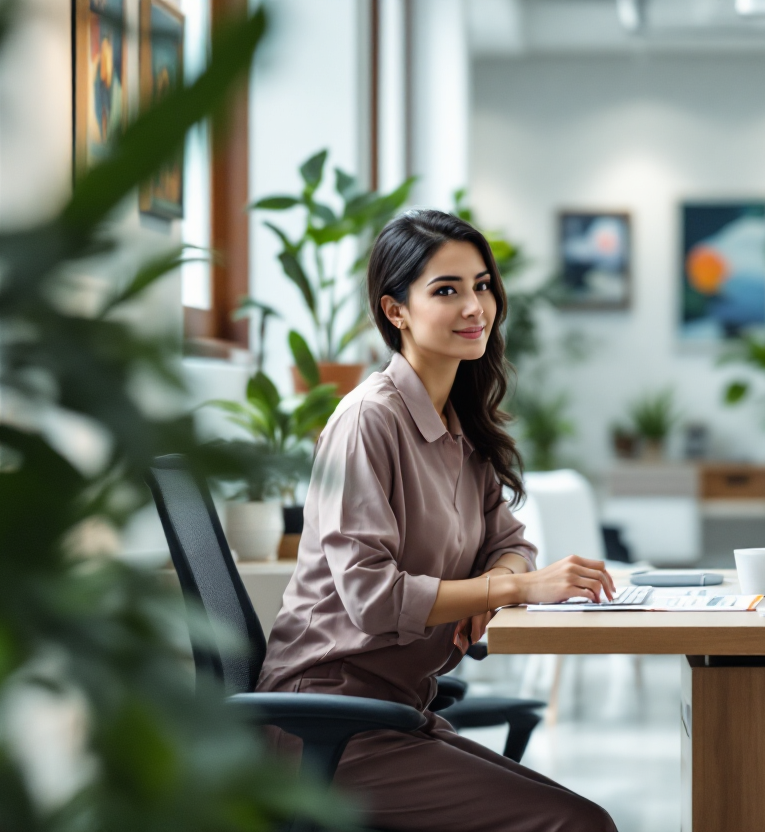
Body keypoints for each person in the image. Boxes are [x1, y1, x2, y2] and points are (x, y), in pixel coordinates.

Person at [257, 209, 619, 832]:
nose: (475, 305)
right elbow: (372, 597)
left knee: (584, 819)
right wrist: (512, 589)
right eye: (446, 290)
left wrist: (493, 584)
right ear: (395, 310)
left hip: (394, 715)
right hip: (322, 725)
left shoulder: (457, 424)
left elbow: (512, 542)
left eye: (481, 285)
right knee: (577, 826)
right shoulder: (368, 419)